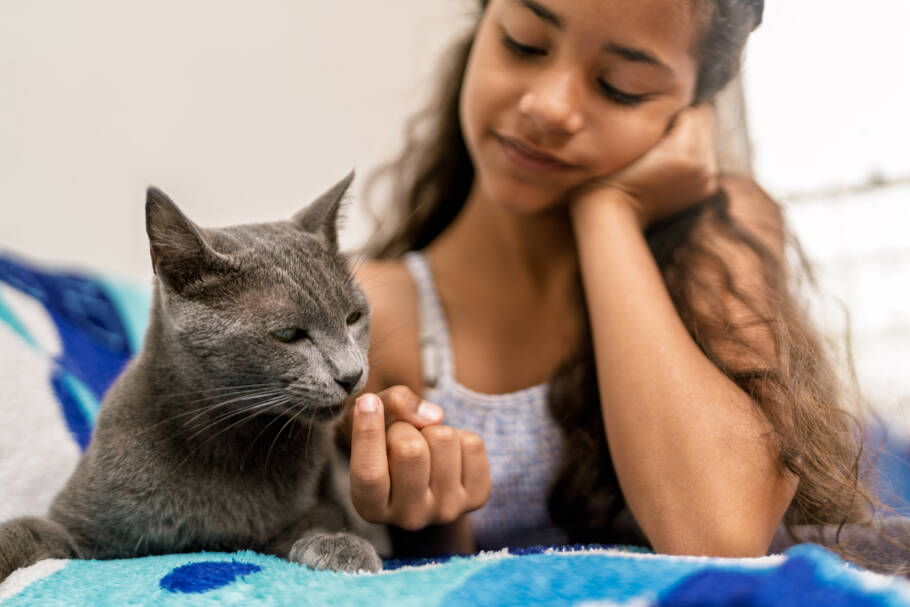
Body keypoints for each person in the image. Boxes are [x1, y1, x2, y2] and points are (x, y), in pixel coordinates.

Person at [337, 0, 883, 564]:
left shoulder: (721, 237)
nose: (548, 107)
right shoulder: (374, 313)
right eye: (523, 43)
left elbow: (718, 537)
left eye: (621, 87)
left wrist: (610, 211)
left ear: (690, 117)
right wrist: (431, 524)